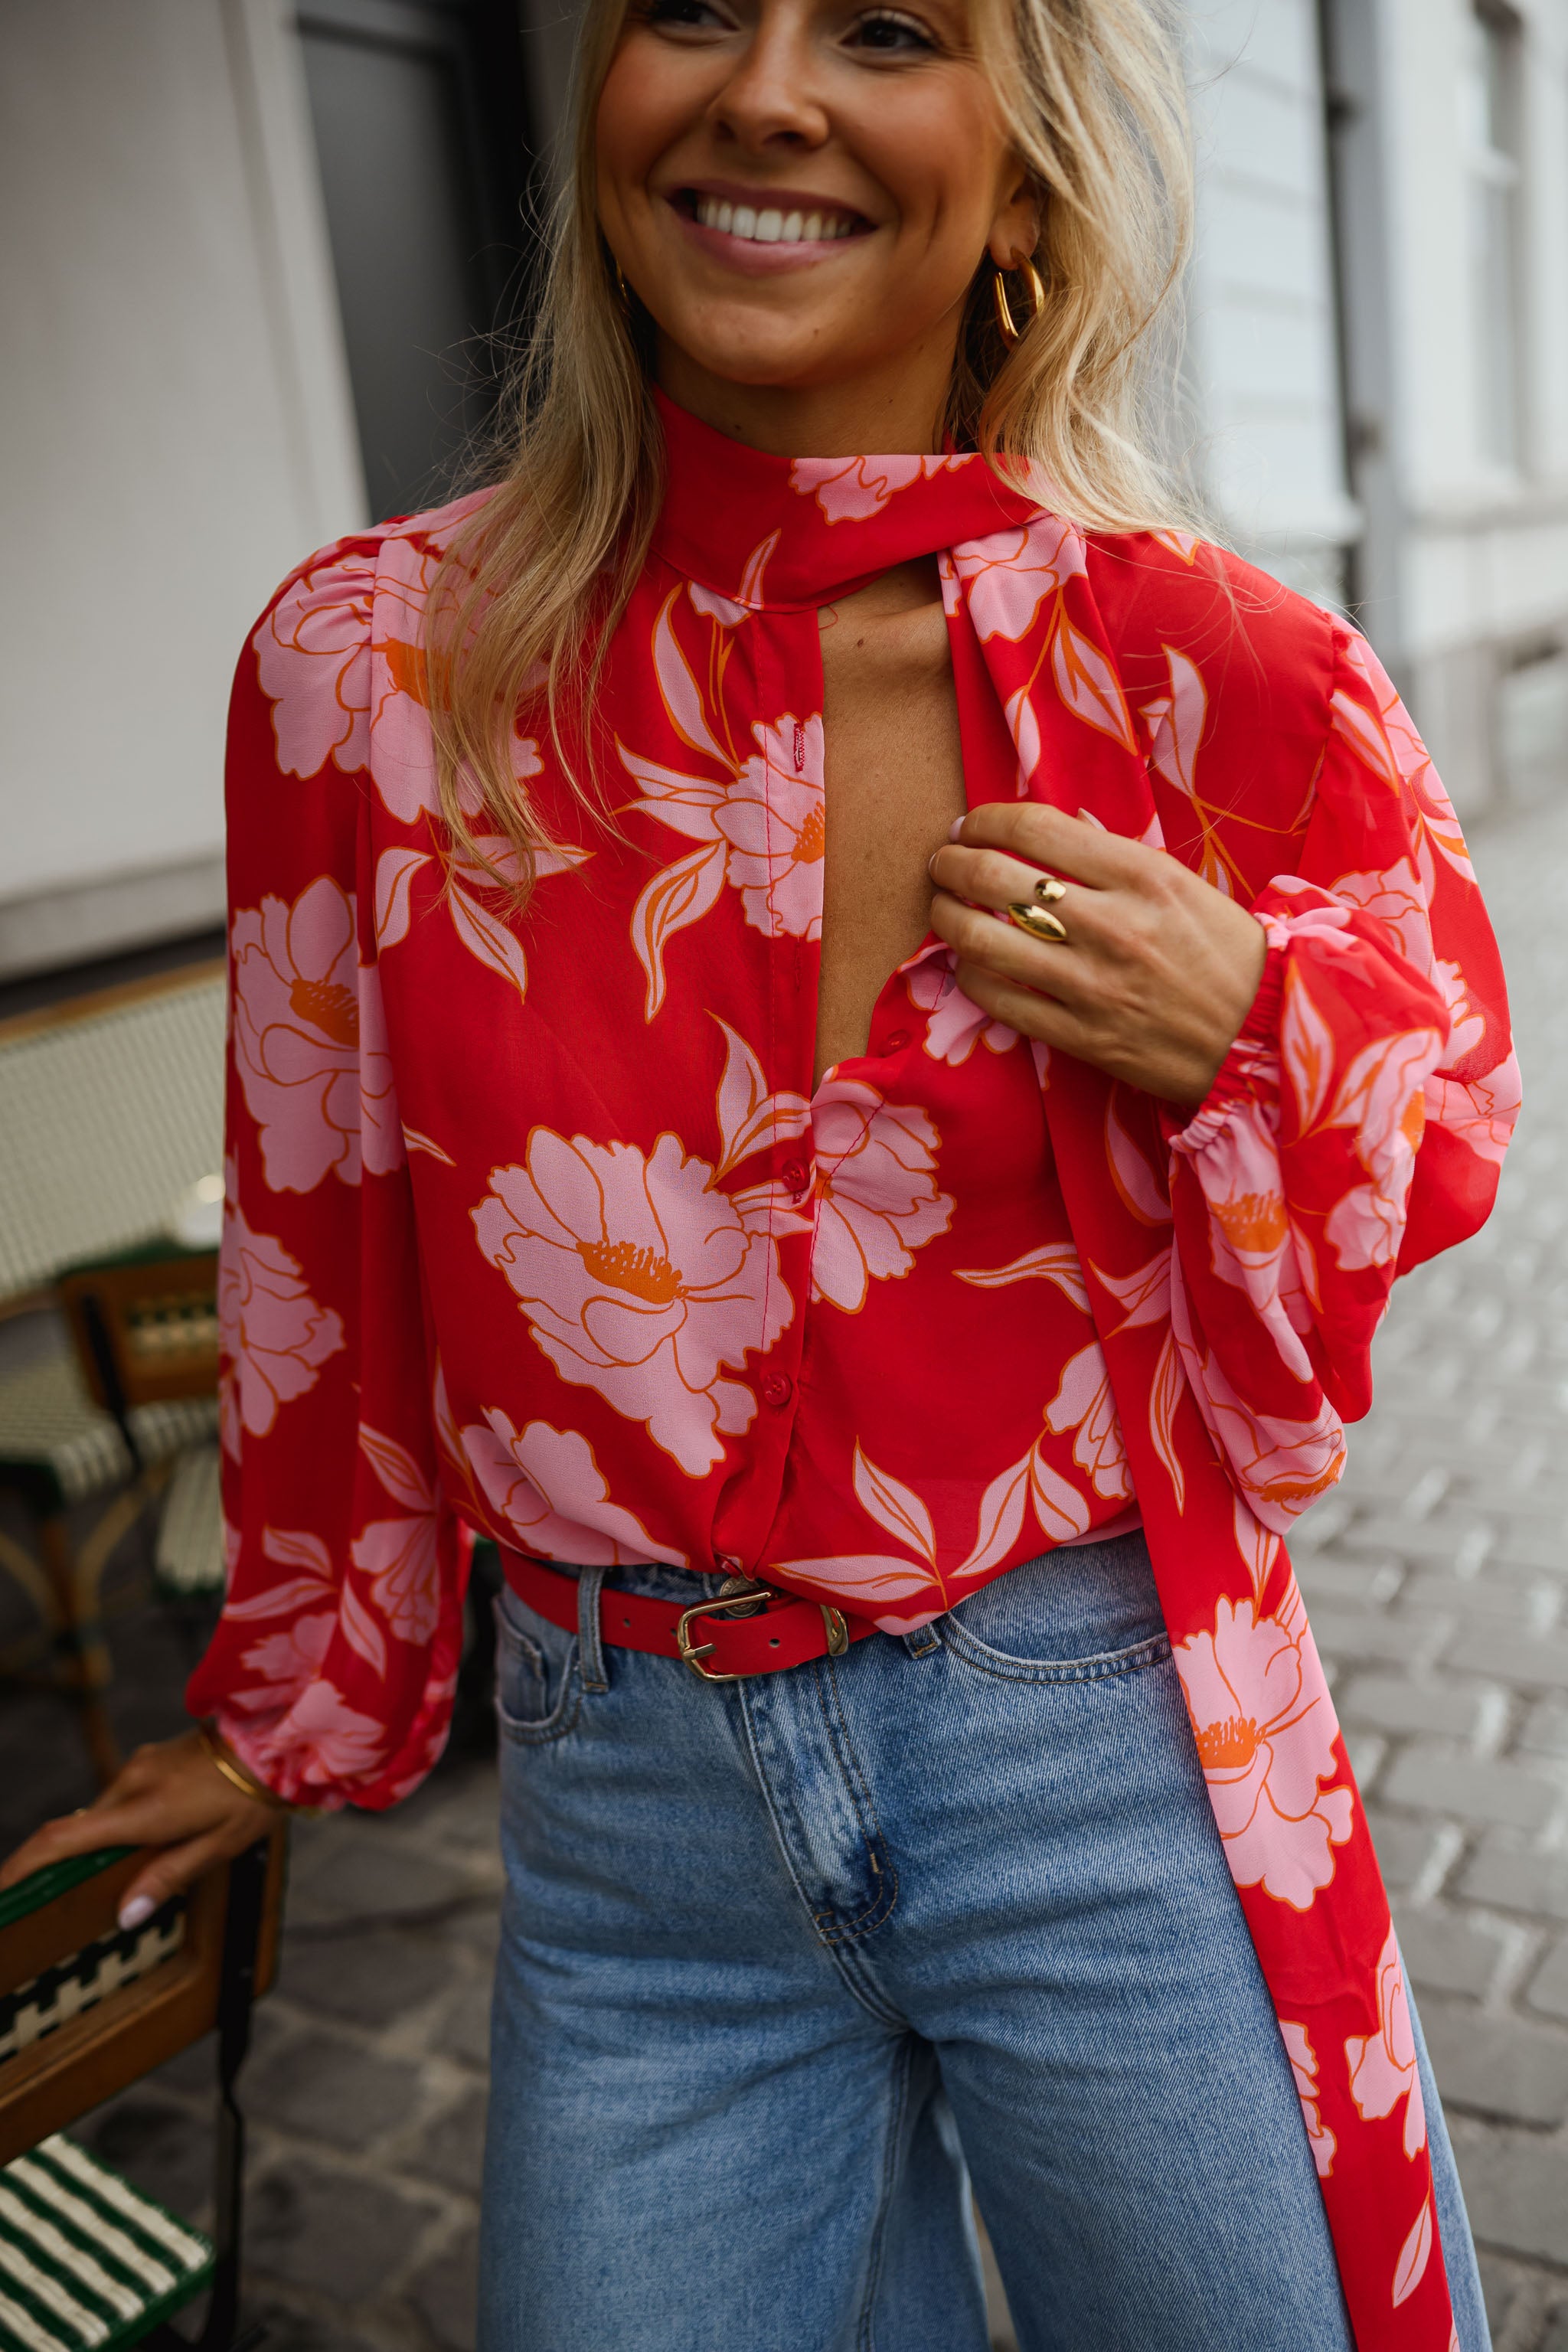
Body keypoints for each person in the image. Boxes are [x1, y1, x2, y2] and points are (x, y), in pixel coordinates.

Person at [3, 0, 1521, 2341]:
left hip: (1103, 1765)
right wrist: (282, 1708)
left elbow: (1436, 1131)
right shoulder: (374, 668)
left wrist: (1253, 1030)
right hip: (631, 1837)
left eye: (888, 27)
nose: (770, 88)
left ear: (1021, 183)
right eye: (693, 10)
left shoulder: (1221, 682)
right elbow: (324, 1235)